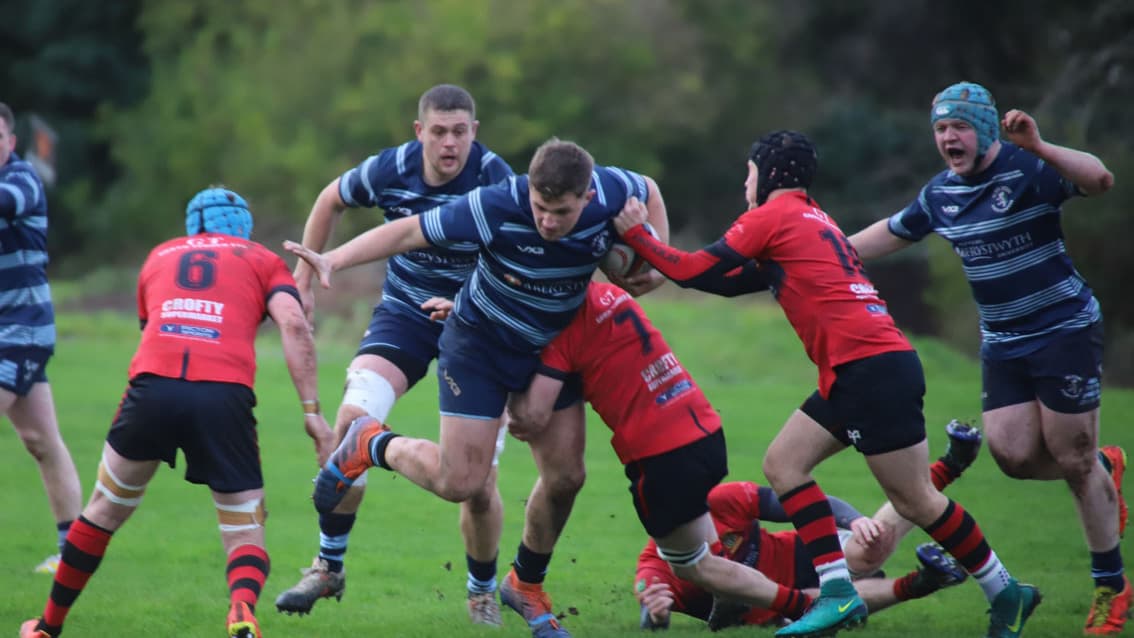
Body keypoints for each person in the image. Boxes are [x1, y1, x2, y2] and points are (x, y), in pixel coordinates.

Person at [614, 129, 1038, 638]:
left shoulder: (771, 215)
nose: (746, 185)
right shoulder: (814, 218)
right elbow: (730, 281)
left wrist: (639, 237)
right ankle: (837, 593)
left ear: (769, 174)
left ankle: (1004, 591)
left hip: (868, 368)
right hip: (864, 367)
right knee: (784, 463)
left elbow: (694, 270)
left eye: (750, 174)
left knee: (916, 501)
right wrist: (657, 264)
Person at [285, 138, 670, 638]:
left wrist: (656, 256)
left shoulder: (613, 191)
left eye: (561, 212)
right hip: (479, 345)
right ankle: (369, 443)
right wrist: (333, 259)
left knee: (567, 478)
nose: (547, 221)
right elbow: (409, 231)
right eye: (540, 207)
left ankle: (525, 585)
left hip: (549, 352)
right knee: (461, 482)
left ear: (588, 195)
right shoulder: (498, 203)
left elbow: (651, 189)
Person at [846, 81, 1127, 636]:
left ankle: (1111, 589)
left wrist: (1039, 145)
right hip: (1003, 342)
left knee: (1071, 459)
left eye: (959, 126)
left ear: (984, 128)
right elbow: (888, 234)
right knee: (1013, 456)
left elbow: (1100, 180)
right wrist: (817, 249)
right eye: (940, 129)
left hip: (1063, 330)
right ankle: (1100, 467)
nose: (948, 137)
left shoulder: (1028, 169)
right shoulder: (940, 195)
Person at [19, 187, 336, 638]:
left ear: (192, 225)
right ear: (243, 226)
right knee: (244, 529)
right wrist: (312, 412)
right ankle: (242, 610)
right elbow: (294, 324)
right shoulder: (264, 259)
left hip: (153, 387)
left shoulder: (159, 256)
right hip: (223, 394)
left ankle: (47, 627)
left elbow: (152, 329)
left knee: (103, 510)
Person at [273, 84, 519, 626]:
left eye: (460, 132)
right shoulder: (392, 168)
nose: (450, 143)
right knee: (350, 421)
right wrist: (302, 281)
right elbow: (330, 198)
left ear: (474, 133)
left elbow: (518, 260)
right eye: (439, 131)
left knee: (478, 485)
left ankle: (481, 592)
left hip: (475, 325)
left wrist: (474, 305)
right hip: (406, 314)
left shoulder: (496, 180)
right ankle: (328, 566)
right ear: (419, 132)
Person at [634, 420, 982, 631]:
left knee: (867, 550)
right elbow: (650, 609)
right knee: (818, 604)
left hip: (798, 555)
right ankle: (921, 582)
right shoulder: (656, 566)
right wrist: (656, 615)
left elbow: (802, 501)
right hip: (778, 607)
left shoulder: (722, 500)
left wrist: (855, 520)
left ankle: (948, 466)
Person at [0, 102, 83, 576]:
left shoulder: (22, 180)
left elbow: (5, 203)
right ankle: (71, 555)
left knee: (42, 440)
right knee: (41, 441)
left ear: (11, 142)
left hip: (22, 330)